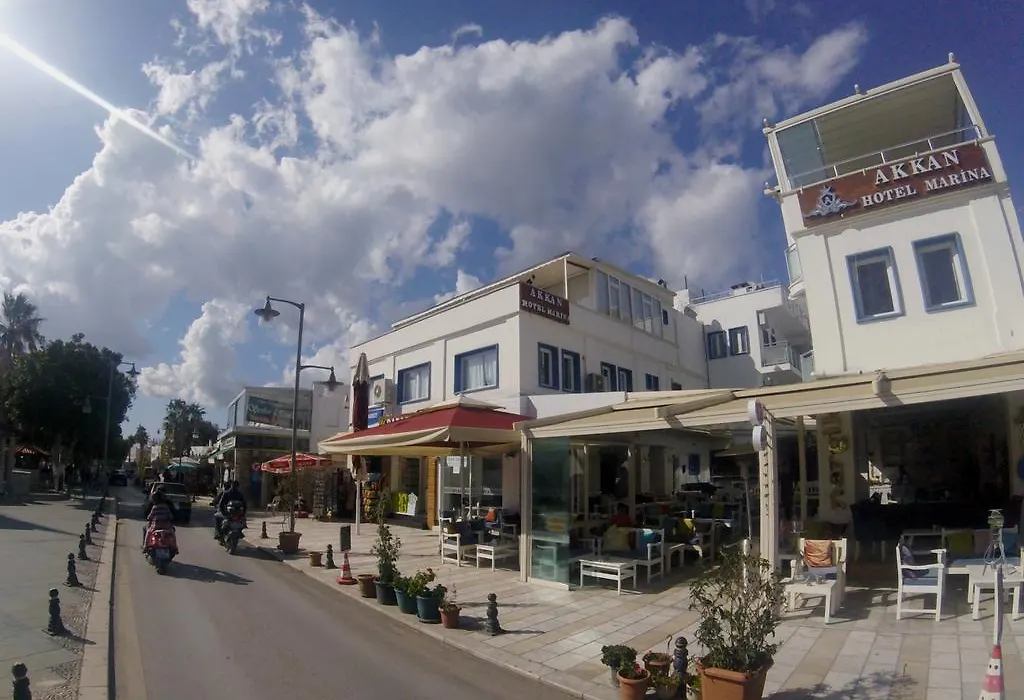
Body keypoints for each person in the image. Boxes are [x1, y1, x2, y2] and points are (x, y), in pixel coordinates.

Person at [143, 486, 178, 553]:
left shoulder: (154, 505)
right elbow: (171, 515)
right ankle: (175, 547)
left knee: (148, 531)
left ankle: (145, 546)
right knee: (172, 533)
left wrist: (149, 518)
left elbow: (149, 515)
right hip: (166, 527)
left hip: (155, 526)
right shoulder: (167, 505)